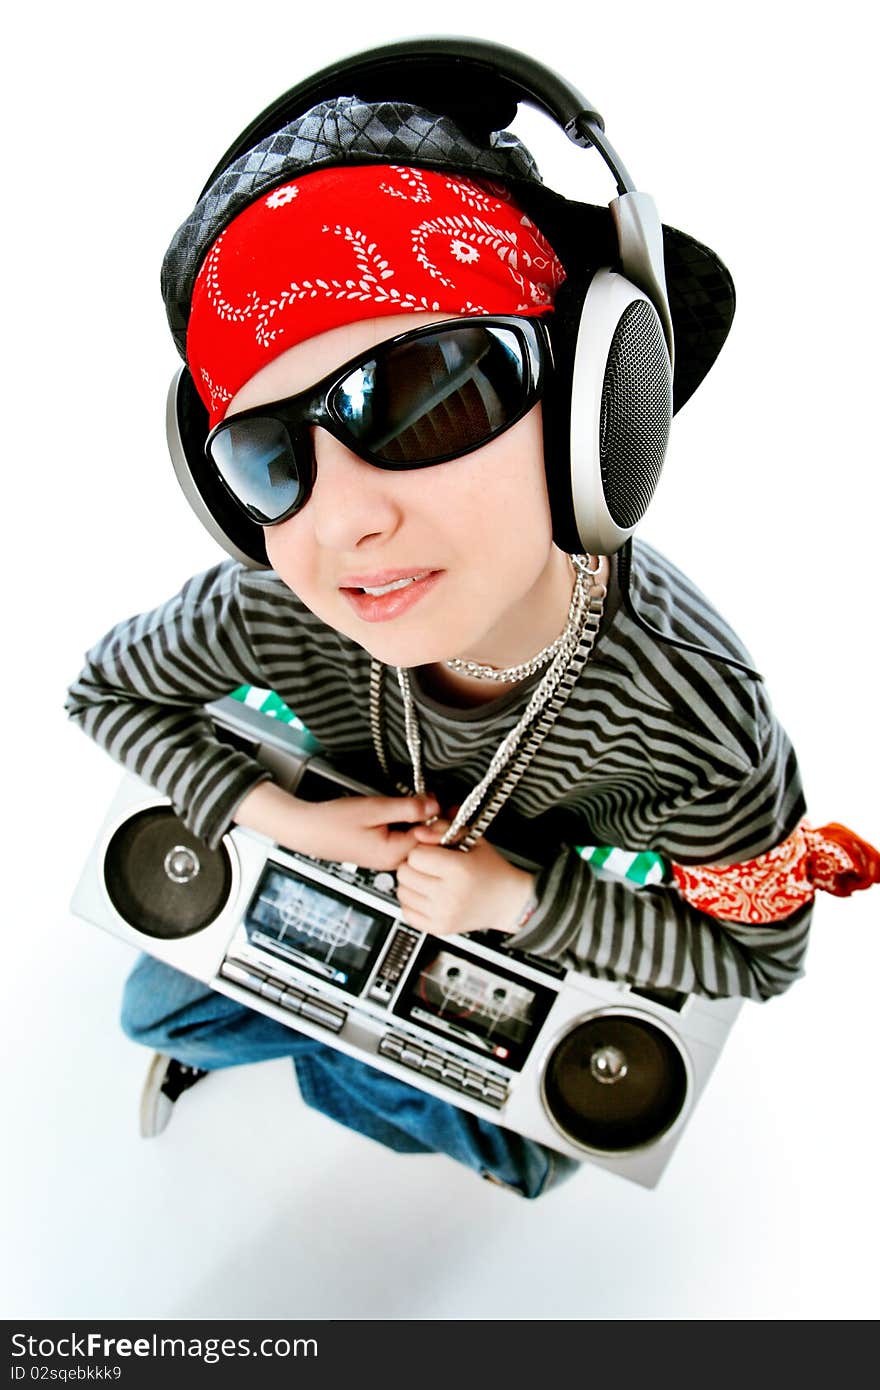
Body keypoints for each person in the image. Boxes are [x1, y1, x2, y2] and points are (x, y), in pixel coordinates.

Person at [64, 50, 878, 1199]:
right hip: (336, 861)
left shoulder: (695, 718)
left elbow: (761, 952)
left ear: (595, 406)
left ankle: (353, 1076)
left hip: (514, 923)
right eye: (270, 453)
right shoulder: (268, 601)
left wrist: (520, 901)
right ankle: (303, 1047)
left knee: (523, 1143)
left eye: (424, 389)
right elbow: (101, 692)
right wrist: (293, 822)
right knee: (155, 1003)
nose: (343, 519)